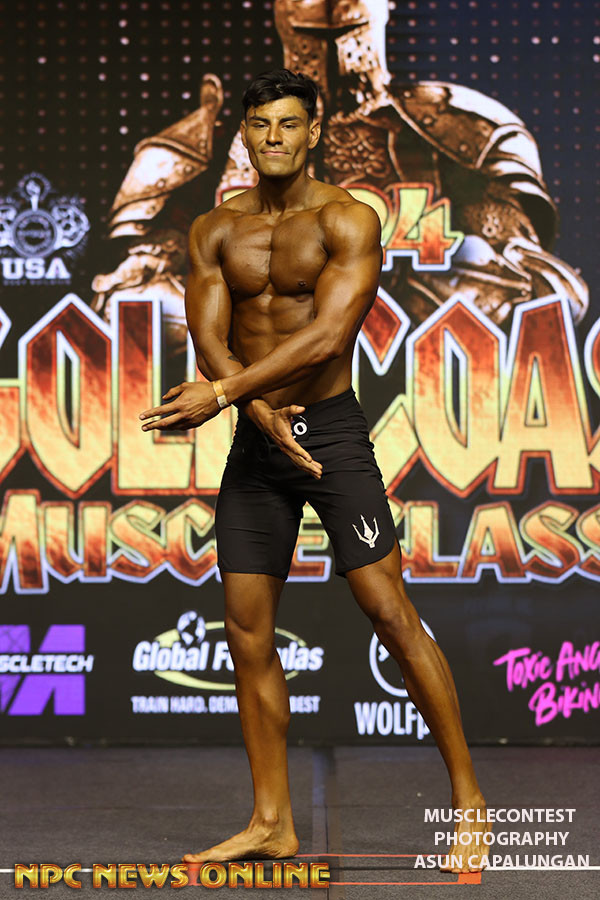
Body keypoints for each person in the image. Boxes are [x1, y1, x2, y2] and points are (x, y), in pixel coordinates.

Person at [139, 69, 490, 873]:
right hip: (257, 443)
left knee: (389, 612)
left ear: (314, 131)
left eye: (288, 124)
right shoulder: (215, 229)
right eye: (260, 125)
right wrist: (253, 409)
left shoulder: (347, 219)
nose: (273, 138)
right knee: (246, 631)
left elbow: (330, 335)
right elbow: (211, 336)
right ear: (245, 134)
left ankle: (470, 802)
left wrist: (226, 394)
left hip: (329, 435)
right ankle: (271, 822)